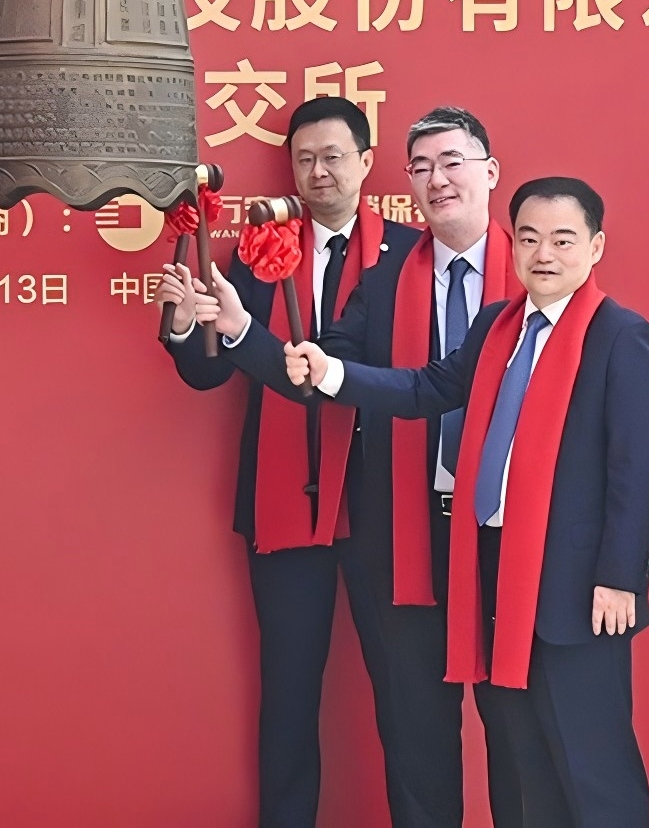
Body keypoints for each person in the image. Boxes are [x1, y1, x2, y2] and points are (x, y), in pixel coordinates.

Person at [265, 177, 649, 827]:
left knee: (593, 764)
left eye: (563, 240)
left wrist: (620, 577)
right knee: (528, 763)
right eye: (530, 238)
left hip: (579, 589)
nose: (544, 254)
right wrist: (331, 372)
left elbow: (637, 469)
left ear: (595, 247)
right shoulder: (498, 327)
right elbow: (426, 389)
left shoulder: (621, 336)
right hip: (496, 573)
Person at [153, 96, 452, 827]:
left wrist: (250, 336)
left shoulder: (411, 255)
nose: (320, 172)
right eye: (305, 159)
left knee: (409, 695)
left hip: (386, 505)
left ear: (366, 161)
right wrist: (184, 327)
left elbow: (397, 373)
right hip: (287, 498)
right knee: (288, 694)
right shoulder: (257, 254)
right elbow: (211, 371)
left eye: (334, 156)